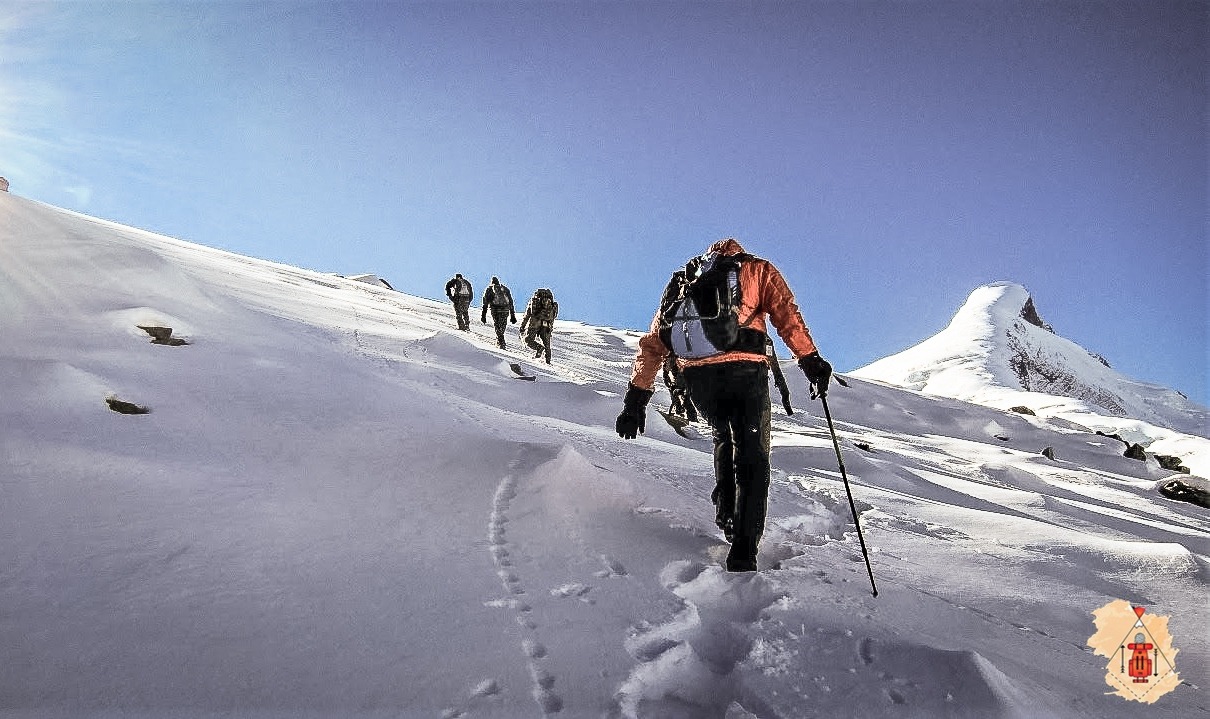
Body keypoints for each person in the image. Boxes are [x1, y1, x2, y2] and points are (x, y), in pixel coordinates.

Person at [616, 238, 833, 572]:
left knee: (723, 436)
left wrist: (635, 402)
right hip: (746, 372)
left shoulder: (686, 279)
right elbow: (787, 315)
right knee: (752, 454)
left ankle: (727, 514)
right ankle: (744, 551)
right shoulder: (757, 269)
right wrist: (811, 360)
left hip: (700, 379)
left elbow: (654, 342)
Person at [519, 288, 559, 363]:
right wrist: (550, 328)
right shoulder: (552, 304)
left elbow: (527, 314)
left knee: (528, 340)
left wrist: (522, 326)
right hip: (546, 324)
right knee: (547, 344)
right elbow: (553, 317)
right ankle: (548, 361)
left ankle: (539, 348)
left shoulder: (534, 301)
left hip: (535, 322)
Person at [480, 276, 516, 348]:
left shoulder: (489, 289)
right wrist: (512, 315)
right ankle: (500, 339)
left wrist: (483, 315)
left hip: (495, 309)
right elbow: (511, 302)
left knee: (497, 325)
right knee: (503, 325)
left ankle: (500, 341)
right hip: (505, 309)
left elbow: (485, 303)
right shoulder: (505, 289)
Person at [661, 354, 697, 422]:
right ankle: (690, 416)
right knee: (684, 396)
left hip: (682, 377)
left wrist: (665, 376)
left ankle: (681, 411)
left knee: (677, 392)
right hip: (685, 377)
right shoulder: (675, 353)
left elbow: (667, 368)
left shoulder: (671, 355)